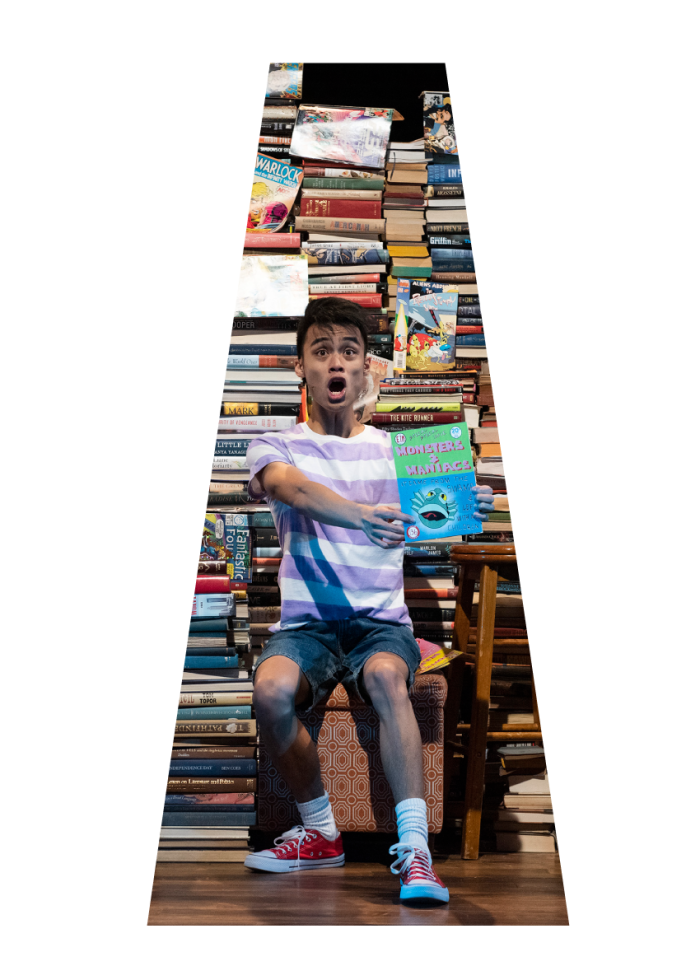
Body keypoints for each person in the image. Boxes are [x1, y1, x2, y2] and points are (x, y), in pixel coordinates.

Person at [243, 297, 494, 904]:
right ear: (301, 368)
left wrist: (466, 503)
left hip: (380, 625)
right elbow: (294, 491)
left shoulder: (395, 453)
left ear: (365, 371)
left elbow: (436, 513)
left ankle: (416, 853)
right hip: (306, 626)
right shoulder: (274, 446)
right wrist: (358, 514)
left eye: (348, 352)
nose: (335, 362)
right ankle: (320, 832)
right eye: (321, 350)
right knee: (270, 690)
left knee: (384, 675)